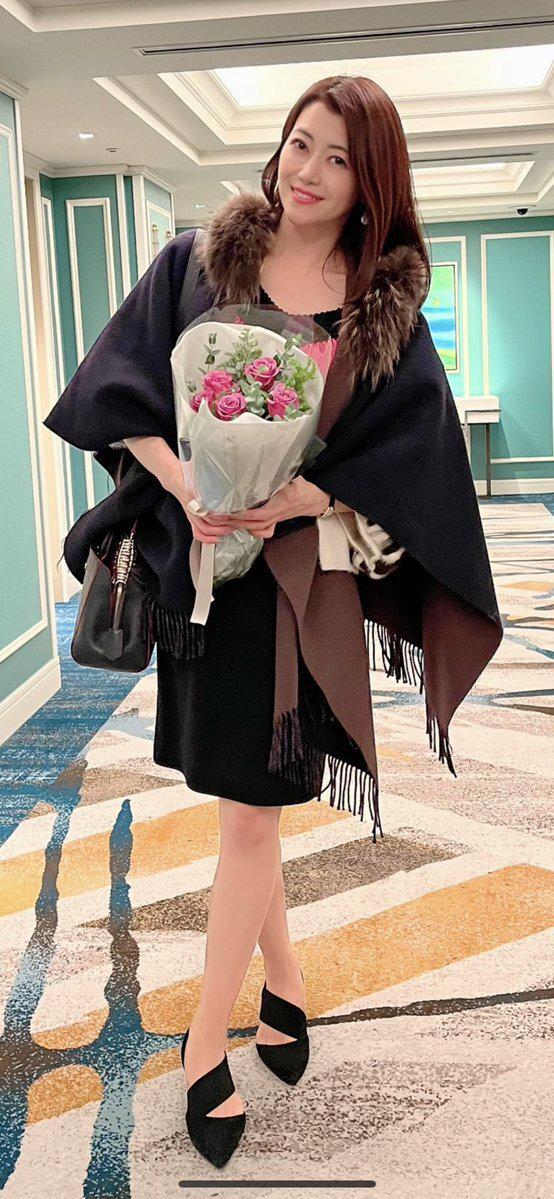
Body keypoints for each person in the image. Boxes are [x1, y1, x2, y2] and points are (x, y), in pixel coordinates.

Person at [42, 75, 503, 1170]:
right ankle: (285, 981)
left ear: (371, 181)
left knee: (252, 813)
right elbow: (118, 391)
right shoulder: (198, 263)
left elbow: (416, 456)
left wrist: (306, 493)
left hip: (299, 590)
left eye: (338, 158)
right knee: (245, 800)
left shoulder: (380, 309)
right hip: (203, 572)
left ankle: (205, 1044)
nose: (308, 171)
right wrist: (188, 479)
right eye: (300, 143)